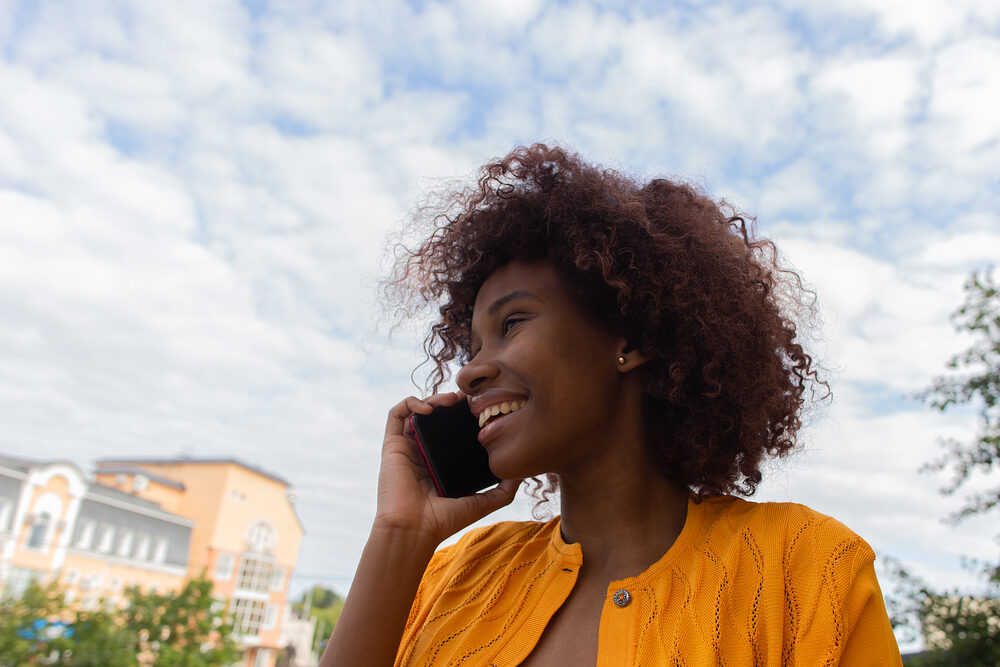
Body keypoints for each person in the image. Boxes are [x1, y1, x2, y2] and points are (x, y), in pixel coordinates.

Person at [321, 144, 903, 666]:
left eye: (513, 323)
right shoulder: (450, 578)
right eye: (471, 347)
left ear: (632, 339)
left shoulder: (807, 570)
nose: (471, 370)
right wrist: (400, 534)